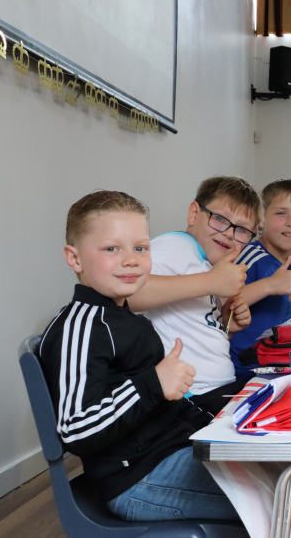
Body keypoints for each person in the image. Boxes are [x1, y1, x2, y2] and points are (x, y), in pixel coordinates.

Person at [39, 191, 240, 522]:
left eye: (140, 248)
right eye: (111, 249)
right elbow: (75, 428)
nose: (131, 259)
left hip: (171, 454)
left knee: (277, 473)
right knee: (280, 493)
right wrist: (152, 384)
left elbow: (164, 409)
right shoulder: (82, 327)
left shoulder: (129, 318)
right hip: (139, 481)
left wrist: (215, 425)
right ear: (75, 259)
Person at [129, 176, 258, 413]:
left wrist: (227, 327)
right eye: (220, 219)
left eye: (242, 230)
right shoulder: (176, 246)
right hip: (192, 399)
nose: (229, 233)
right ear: (193, 214)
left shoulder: (207, 265)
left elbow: (198, 336)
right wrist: (209, 282)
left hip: (217, 391)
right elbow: (129, 293)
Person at [230, 179, 291, 381]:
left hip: (272, 365)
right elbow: (219, 305)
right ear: (262, 219)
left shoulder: (284, 264)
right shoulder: (252, 257)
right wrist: (268, 286)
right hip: (244, 371)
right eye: (281, 213)